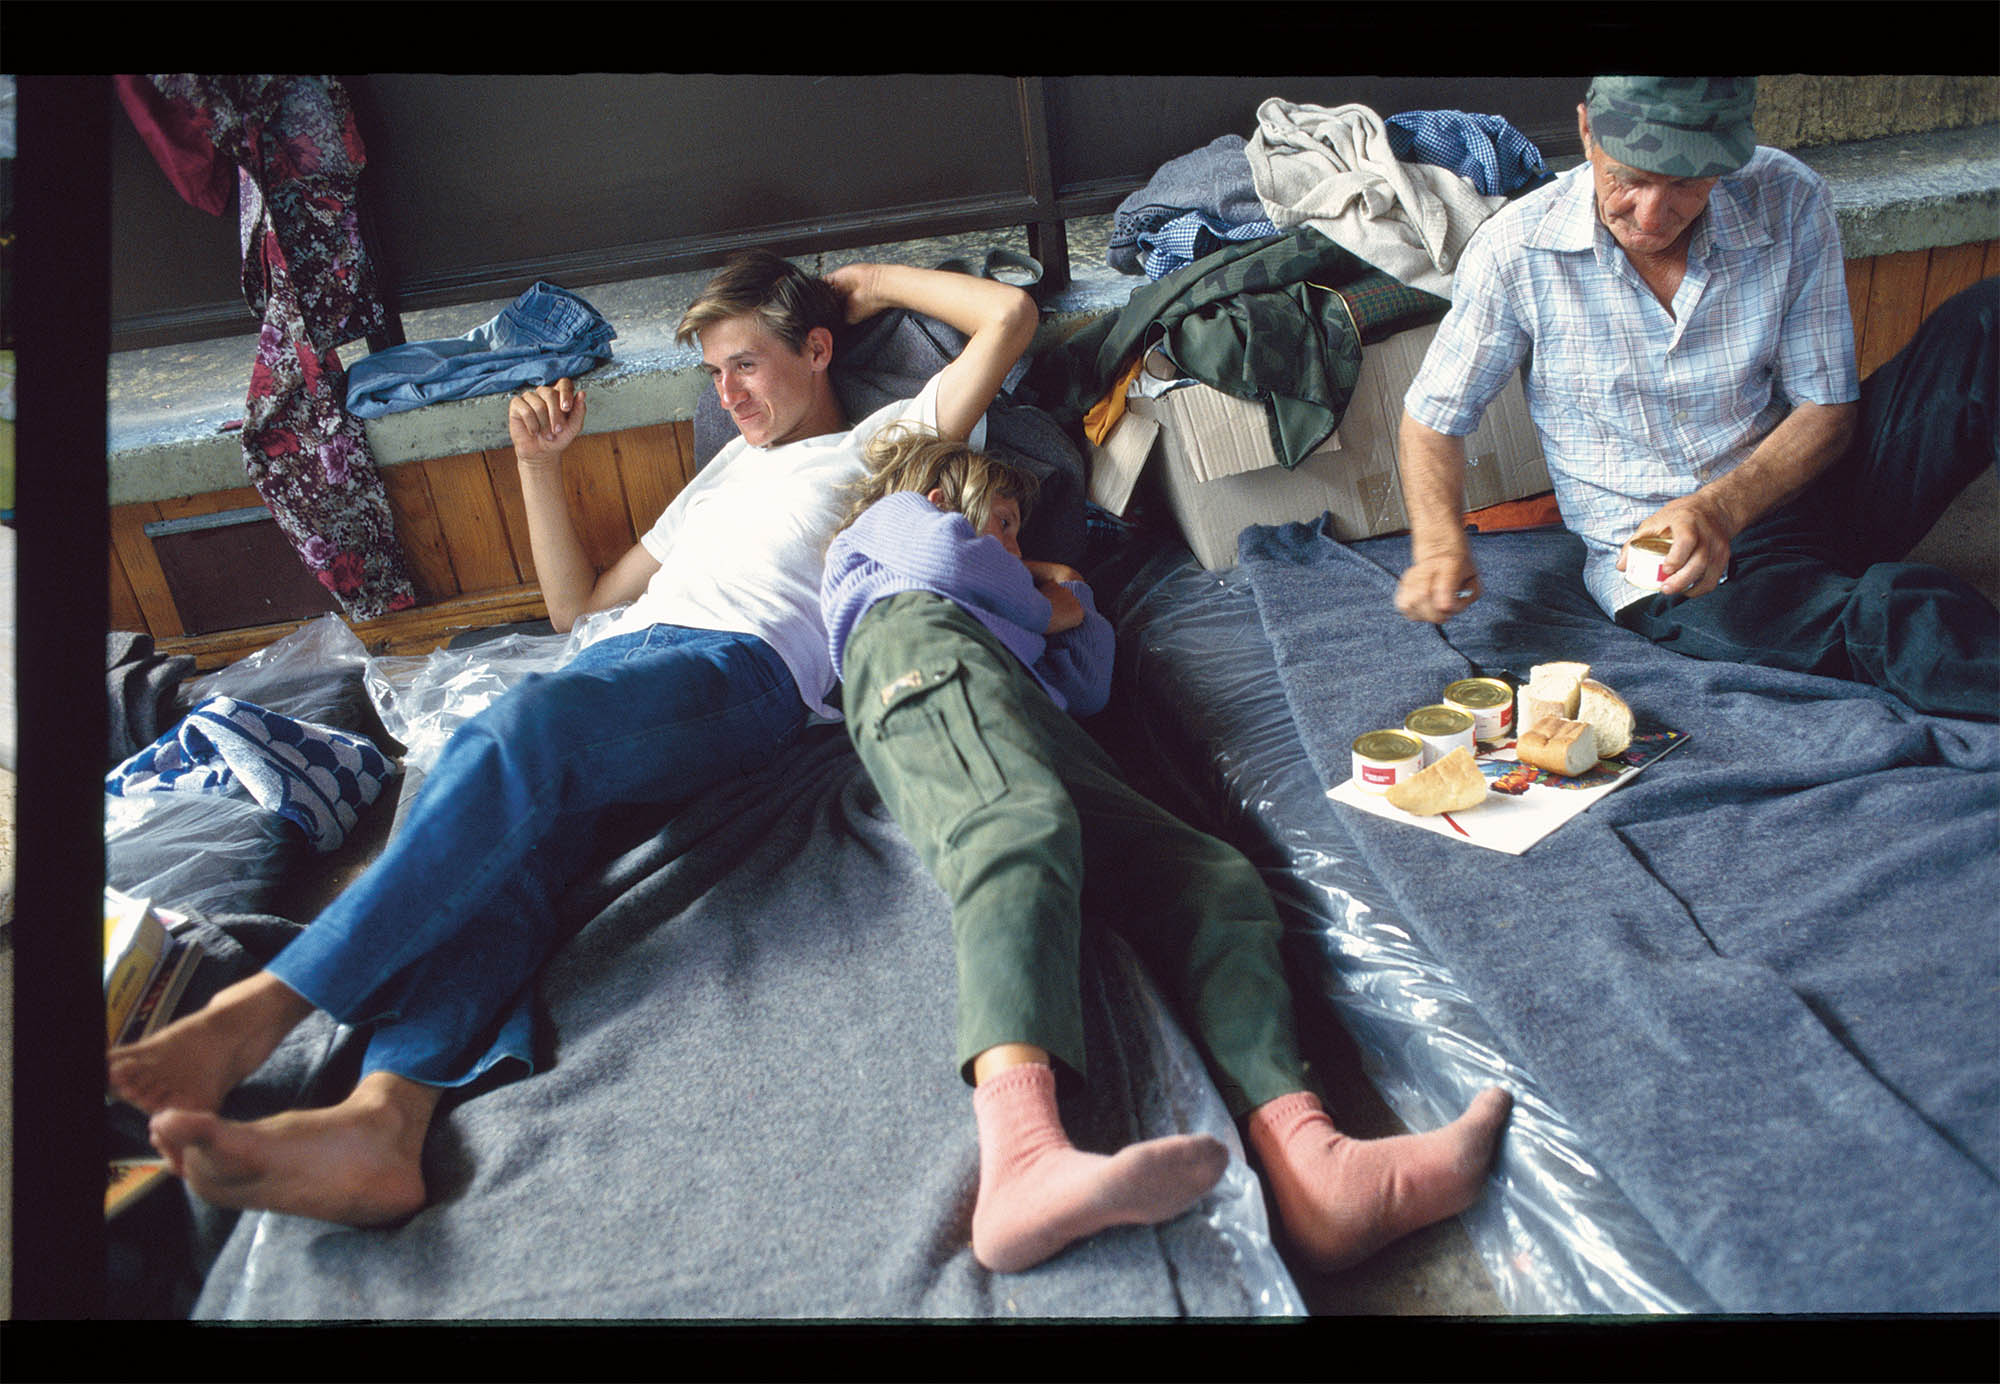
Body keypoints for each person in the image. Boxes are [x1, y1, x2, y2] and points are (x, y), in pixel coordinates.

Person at [105, 251, 1040, 1226]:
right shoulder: (721, 475)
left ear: (815, 349)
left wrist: (874, 280)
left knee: (516, 738)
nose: (729, 392)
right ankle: (384, 1121)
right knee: (502, 842)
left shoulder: (889, 439)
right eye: (714, 374)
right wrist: (535, 468)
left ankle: (262, 1010)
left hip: (738, 670)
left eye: (747, 365)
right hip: (619, 666)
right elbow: (575, 606)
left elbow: (1008, 317)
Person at [821, 425, 1513, 1274]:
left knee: (1208, 880)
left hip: (1025, 711)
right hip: (924, 658)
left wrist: (1066, 594)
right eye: (1003, 524)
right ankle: (1023, 1162)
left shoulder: (1014, 602)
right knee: (1012, 828)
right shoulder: (892, 533)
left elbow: (1088, 683)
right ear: (946, 499)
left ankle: (1314, 1170)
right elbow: (948, 562)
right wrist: (1041, 592)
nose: (1014, 546)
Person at [1395, 75, 1998, 721]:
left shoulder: (1788, 196)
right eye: (1628, 179)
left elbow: (1826, 409)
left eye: (1686, 183)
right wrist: (1438, 544)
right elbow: (1433, 419)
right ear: (1586, 133)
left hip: (1800, 483)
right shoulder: (1515, 249)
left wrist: (1723, 507)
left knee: (1988, 320)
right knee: (1892, 618)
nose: (1651, 215)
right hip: (1664, 562)